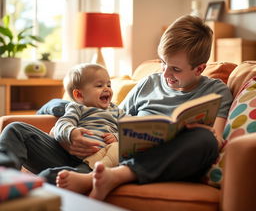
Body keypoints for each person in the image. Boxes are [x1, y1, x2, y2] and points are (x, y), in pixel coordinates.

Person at [55, 15, 233, 200]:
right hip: (119, 156)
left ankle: (107, 178)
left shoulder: (216, 91)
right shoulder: (149, 83)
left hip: (172, 159)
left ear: (199, 69)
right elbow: (113, 116)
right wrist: (67, 128)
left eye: (175, 69)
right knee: (47, 173)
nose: (165, 73)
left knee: (206, 140)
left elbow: (217, 138)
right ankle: (100, 175)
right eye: (163, 63)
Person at [0, 63, 125, 183]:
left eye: (109, 85)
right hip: (65, 155)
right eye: (99, 85)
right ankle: (5, 179)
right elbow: (63, 123)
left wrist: (117, 136)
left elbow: (132, 130)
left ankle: (76, 176)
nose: (107, 89)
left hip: (98, 161)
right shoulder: (77, 108)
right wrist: (71, 133)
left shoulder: (117, 111)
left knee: (50, 176)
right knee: (15, 129)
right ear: (79, 95)